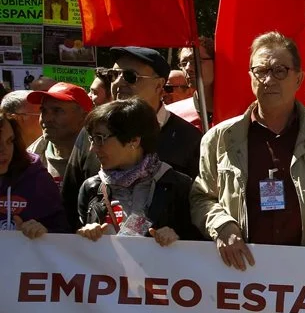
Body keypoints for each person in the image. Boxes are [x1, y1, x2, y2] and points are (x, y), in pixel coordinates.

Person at [190, 32, 305, 270]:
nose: (269, 80)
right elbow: (201, 197)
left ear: (298, 79)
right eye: (261, 71)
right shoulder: (219, 139)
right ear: (250, 77)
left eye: (280, 71)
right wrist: (222, 225)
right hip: (242, 276)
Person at [62, 46, 203, 230]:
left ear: (159, 85)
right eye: (114, 75)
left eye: (130, 76)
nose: (119, 83)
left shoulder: (190, 139)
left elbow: (197, 212)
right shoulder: (89, 132)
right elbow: (69, 202)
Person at [75, 99, 199, 245]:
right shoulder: (91, 188)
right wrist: (86, 232)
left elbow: (201, 244)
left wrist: (177, 238)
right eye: (92, 139)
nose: (93, 149)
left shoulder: (177, 185)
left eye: (100, 139)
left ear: (134, 140)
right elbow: (75, 251)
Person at [0, 115, 66, 236]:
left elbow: (63, 232)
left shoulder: (37, 179)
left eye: (9, 141)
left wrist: (44, 232)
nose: (4, 150)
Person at [26, 83, 92, 184]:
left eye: (57, 111)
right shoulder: (29, 159)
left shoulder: (100, 158)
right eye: (43, 111)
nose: (47, 119)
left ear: (84, 117)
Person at [167, 37, 216, 129]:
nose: (188, 68)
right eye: (184, 63)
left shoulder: (241, 112)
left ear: (216, 62)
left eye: (196, 60)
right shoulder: (172, 115)